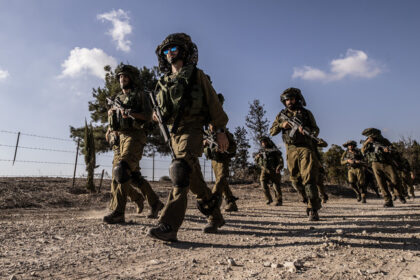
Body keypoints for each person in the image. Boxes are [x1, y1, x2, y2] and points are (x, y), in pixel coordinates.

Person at [148, 33, 229, 242]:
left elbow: (213, 103)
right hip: (173, 134)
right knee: (193, 179)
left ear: (183, 51)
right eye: (166, 50)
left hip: (192, 129)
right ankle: (215, 215)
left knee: (180, 170)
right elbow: (161, 112)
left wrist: (220, 131)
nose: (169, 53)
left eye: (173, 48)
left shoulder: (196, 75)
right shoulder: (162, 82)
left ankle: (169, 225)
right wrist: (155, 116)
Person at [103, 64, 164, 224]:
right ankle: (154, 202)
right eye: (120, 77)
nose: (122, 79)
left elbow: (149, 116)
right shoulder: (117, 98)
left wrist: (130, 113)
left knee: (121, 170)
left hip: (135, 135)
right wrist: (110, 128)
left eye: (126, 76)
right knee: (132, 178)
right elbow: (114, 122)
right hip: (119, 138)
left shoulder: (140, 95)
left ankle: (118, 212)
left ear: (132, 79)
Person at [270, 87, 322, 221]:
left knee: (308, 178)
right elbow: (272, 131)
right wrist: (282, 125)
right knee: (295, 180)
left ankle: (313, 208)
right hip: (291, 149)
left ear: (296, 99)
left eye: (291, 99)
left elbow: (316, 130)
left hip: (306, 148)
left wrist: (308, 131)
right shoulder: (281, 115)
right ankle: (307, 198)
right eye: (286, 100)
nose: (289, 102)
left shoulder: (306, 113)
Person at [204, 93, 239, 212]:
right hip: (214, 159)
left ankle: (213, 202)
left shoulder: (225, 134)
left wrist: (225, 147)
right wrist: (204, 143)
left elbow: (233, 148)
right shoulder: (206, 134)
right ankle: (231, 201)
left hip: (223, 158)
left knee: (221, 180)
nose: (211, 127)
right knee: (222, 181)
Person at [361, 128, 406, 207]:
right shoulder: (367, 142)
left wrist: (388, 150)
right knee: (381, 183)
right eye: (369, 136)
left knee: (395, 179)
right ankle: (388, 201)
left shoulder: (384, 141)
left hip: (387, 163)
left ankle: (399, 194)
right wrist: (367, 142)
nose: (371, 137)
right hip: (375, 164)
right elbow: (362, 151)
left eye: (372, 135)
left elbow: (393, 150)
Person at [106, 129, 144, 214]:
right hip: (115, 149)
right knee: (115, 181)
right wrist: (109, 133)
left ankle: (117, 210)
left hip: (123, 148)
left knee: (121, 176)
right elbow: (108, 136)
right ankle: (137, 197)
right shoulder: (111, 118)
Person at [254, 136, 284, 206]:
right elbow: (256, 161)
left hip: (274, 170)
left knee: (276, 185)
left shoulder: (274, 151)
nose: (263, 143)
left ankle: (279, 201)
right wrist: (258, 157)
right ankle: (268, 199)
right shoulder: (261, 151)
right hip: (264, 170)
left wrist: (279, 167)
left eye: (264, 142)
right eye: (262, 142)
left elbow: (280, 160)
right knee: (262, 183)